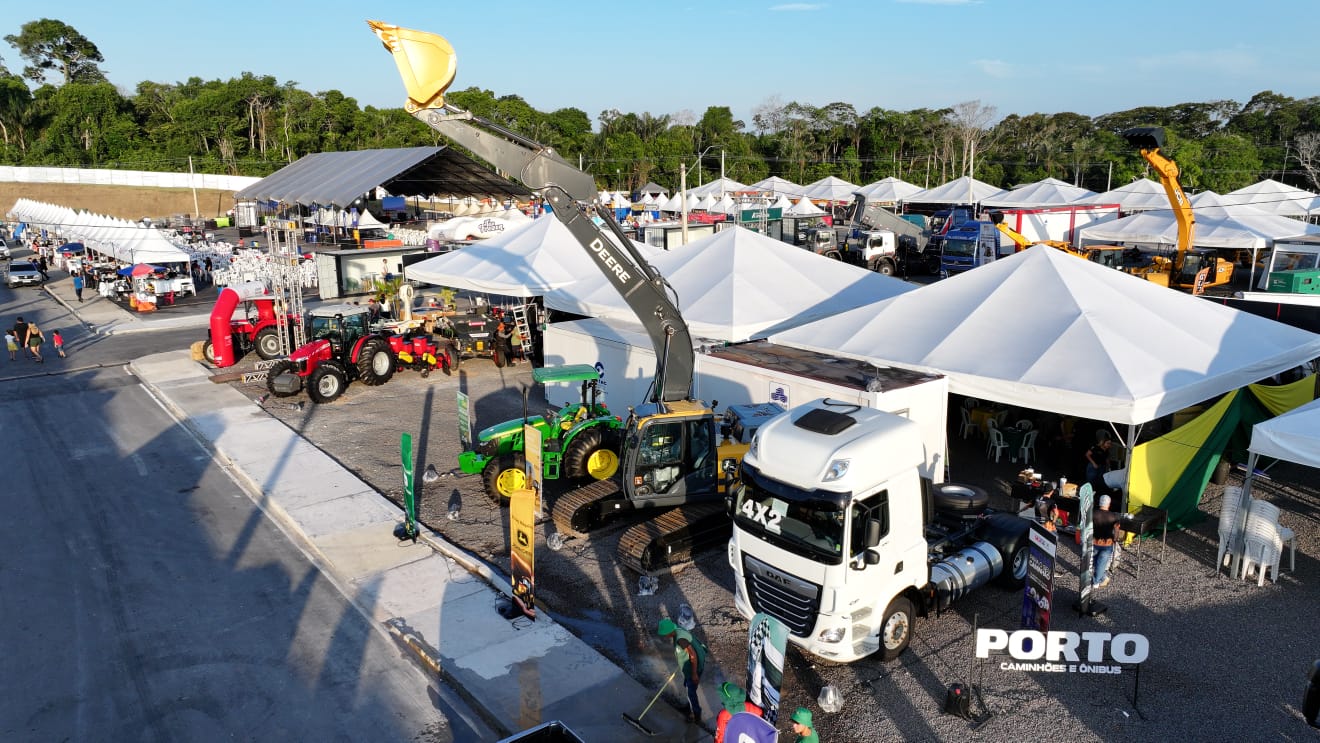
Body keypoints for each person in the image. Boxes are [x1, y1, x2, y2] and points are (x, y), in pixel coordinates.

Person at [657, 617, 706, 724]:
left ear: (669, 632)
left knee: (691, 692)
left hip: (694, 668)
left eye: (665, 634)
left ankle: (696, 715)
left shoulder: (680, 639)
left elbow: (693, 656)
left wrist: (694, 674)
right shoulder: (677, 629)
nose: (665, 636)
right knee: (689, 689)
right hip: (689, 666)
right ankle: (689, 707)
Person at [1092, 494, 1125, 589]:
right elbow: (1117, 530)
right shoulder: (1113, 516)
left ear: (1099, 503)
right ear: (1109, 504)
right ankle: (1096, 582)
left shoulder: (1093, 514)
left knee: (1096, 562)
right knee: (1100, 563)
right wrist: (1115, 540)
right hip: (1107, 544)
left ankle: (1101, 578)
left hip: (1094, 542)